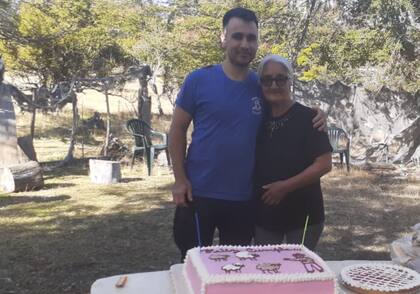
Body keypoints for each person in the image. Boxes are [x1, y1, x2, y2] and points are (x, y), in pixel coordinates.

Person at [169, 8, 326, 259]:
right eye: (237, 36)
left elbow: (287, 107)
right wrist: (179, 178)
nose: (244, 44)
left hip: (243, 199)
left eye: (251, 38)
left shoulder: (262, 85)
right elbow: (176, 129)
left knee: (238, 267)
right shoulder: (199, 80)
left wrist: (317, 113)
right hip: (198, 194)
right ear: (223, 38)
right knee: (194, 264)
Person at [253, 54, 332, 250]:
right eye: (267, 79)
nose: (274, 85)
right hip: (265, 212)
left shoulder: (310, 118)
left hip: (304, 213)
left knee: (300, 270)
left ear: (290, 81)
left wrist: (285, 187)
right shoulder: (255, 118)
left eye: (280, 78)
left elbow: (324, 164)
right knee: (267, 268)